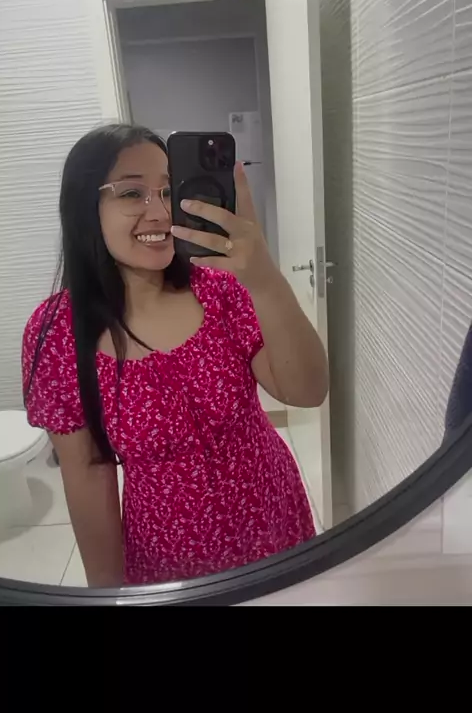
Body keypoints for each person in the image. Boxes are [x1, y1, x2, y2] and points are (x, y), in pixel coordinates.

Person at [22, 123, 329, 587]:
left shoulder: (221, 291)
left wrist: (265, 279)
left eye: (169, 190)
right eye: (132, 193)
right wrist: (107, 593)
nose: (160, 212)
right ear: (86, 208)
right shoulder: (58, 333)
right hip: (168, 559)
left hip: (272, 523)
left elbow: (307, 392)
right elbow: (87, 472)